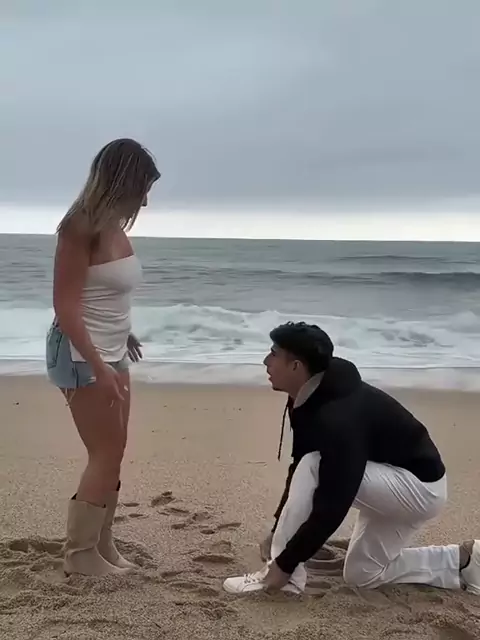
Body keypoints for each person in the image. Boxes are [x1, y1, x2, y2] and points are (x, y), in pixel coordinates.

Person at [223, 321, 480, 596]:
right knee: (362, 575)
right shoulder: (308, 394)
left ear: (296, 366)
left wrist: (286, 563)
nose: (266, 361)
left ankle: (284, 580)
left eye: (274, 354)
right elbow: (298, 466)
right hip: (386, 479)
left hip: (417, 488)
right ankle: (466, 560)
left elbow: (333, 502)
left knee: (313, 466)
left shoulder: (339, 418)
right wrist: (279, 528)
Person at [46, 138, 160, 576]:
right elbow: (66, 306)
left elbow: (101, 293)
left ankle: (101, 542)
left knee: (117, 449)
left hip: (112, 348)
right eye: (142, 188)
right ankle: (80, 555)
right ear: (123, 182)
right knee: (105, 452)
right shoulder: (79, 227)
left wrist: (123, 332)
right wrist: (98, 366)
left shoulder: (114, 227)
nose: (145, 201)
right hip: (80, 353)